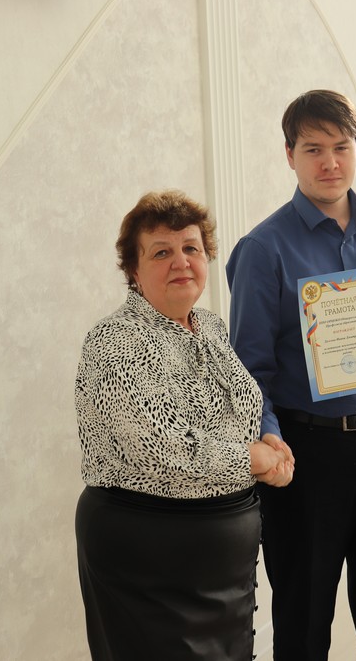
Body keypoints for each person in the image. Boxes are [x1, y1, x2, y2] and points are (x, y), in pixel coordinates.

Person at [225, 90, 356, 660]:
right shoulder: (263, 249)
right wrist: (270, 440)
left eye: (341, 147)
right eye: (313, 149)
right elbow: (247, 372)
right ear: (289, 155)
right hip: (307, 455)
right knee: (303, 623)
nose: (330, 162)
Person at [74, 189, 294, 661]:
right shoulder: (114, 341)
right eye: (161, 252)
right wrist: (251, 459)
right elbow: (164, 450)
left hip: (224, 569)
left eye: (191, 248)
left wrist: (269, 443)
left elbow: (237, 413)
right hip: (148, 561)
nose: (181, 262)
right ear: (133, 271)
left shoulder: (211, 326)